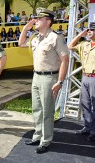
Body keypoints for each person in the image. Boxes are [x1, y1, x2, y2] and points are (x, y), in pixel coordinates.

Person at [19, 8, 69, 153]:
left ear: (48, 21)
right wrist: (25, 28)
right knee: (37, 109)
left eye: (39, 18)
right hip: (36, 77)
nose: (35, 20)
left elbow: (65, 60)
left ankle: (46, 140)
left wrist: (59, 81)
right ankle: (37, 135)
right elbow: (21, 43)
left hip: (49, 77)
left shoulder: (56, 37)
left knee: (47, 111)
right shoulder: (36, 37)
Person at [68, 22, 95, 142]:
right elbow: (70, 46)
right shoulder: (84, 44)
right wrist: (80, 35)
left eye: (91, 30)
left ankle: (94, 131)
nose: (89, 32)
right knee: (85, 104)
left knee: (94, 105)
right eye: (88, 30)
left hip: (94, 78)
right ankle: (87, 127)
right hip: (85, 77)